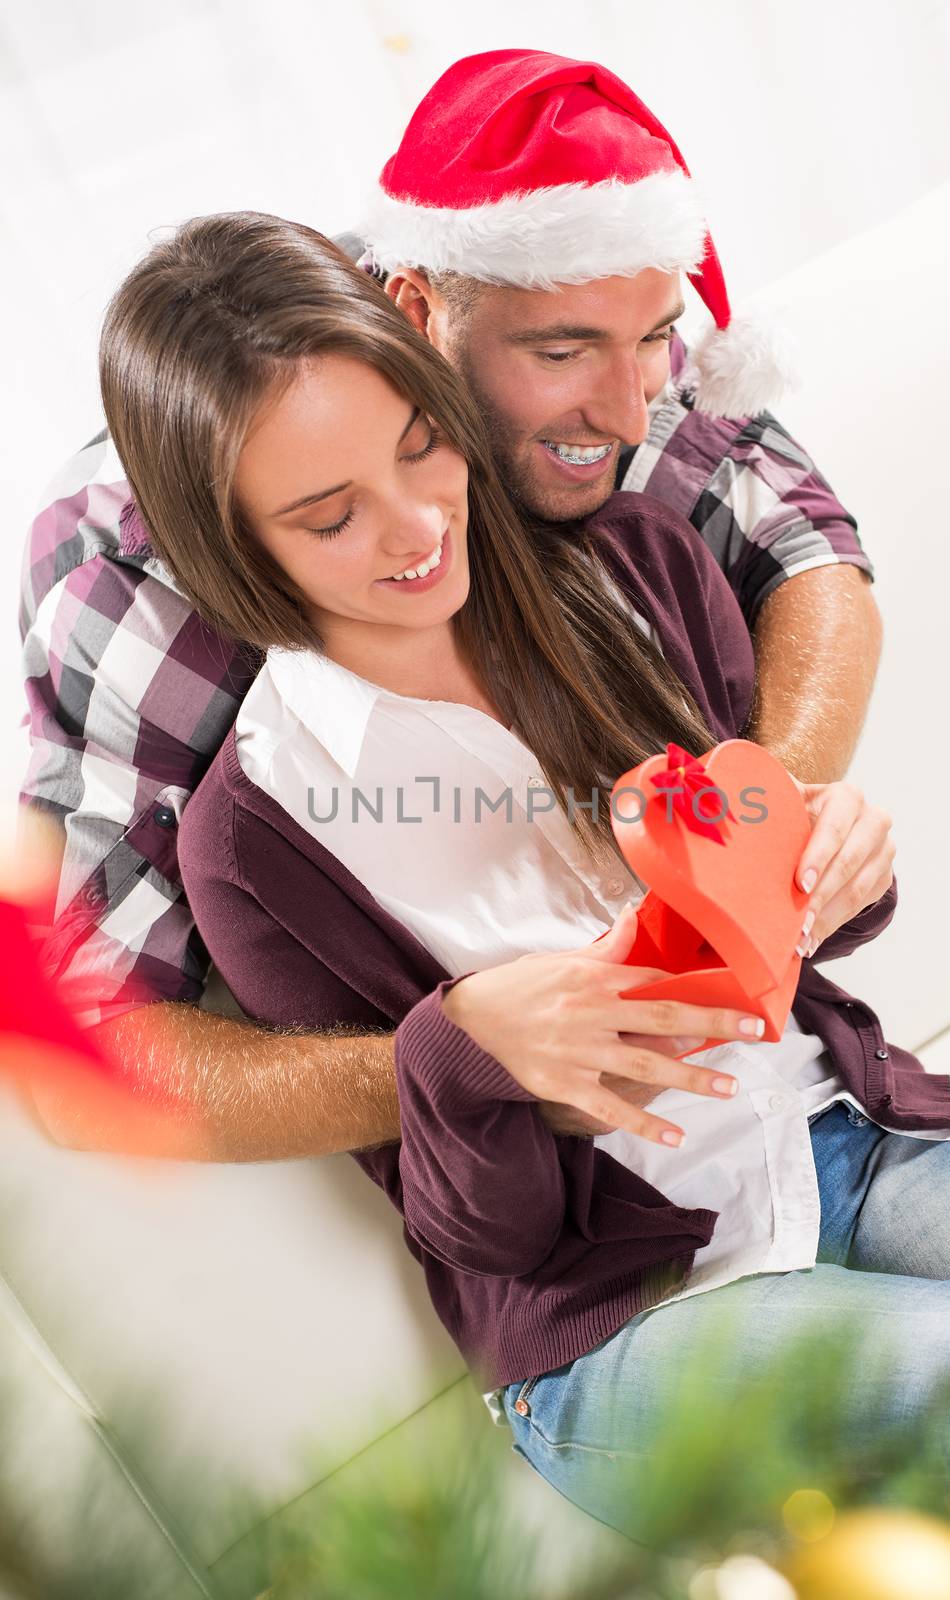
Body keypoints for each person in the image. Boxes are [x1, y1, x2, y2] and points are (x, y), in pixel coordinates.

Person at [99, 209, 950, 1536]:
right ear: (232, 542)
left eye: (420, 445)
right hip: (615, 1326)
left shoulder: (638, 571)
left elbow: (772, 942)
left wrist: (829, 858)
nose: (412, 527)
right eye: (328, 516)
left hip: (835, 1137)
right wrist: (474, 1056)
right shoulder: (255, 839)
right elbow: (489, 1237)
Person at [19, 50, 882, 1156]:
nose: (629, 413)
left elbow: (804, 546)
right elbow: (79, 1046)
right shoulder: (128, 587)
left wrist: (768, 835)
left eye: (655, 342)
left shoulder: (589, 297)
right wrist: (465, 1055)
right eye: (562, 353)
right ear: (421, 317)